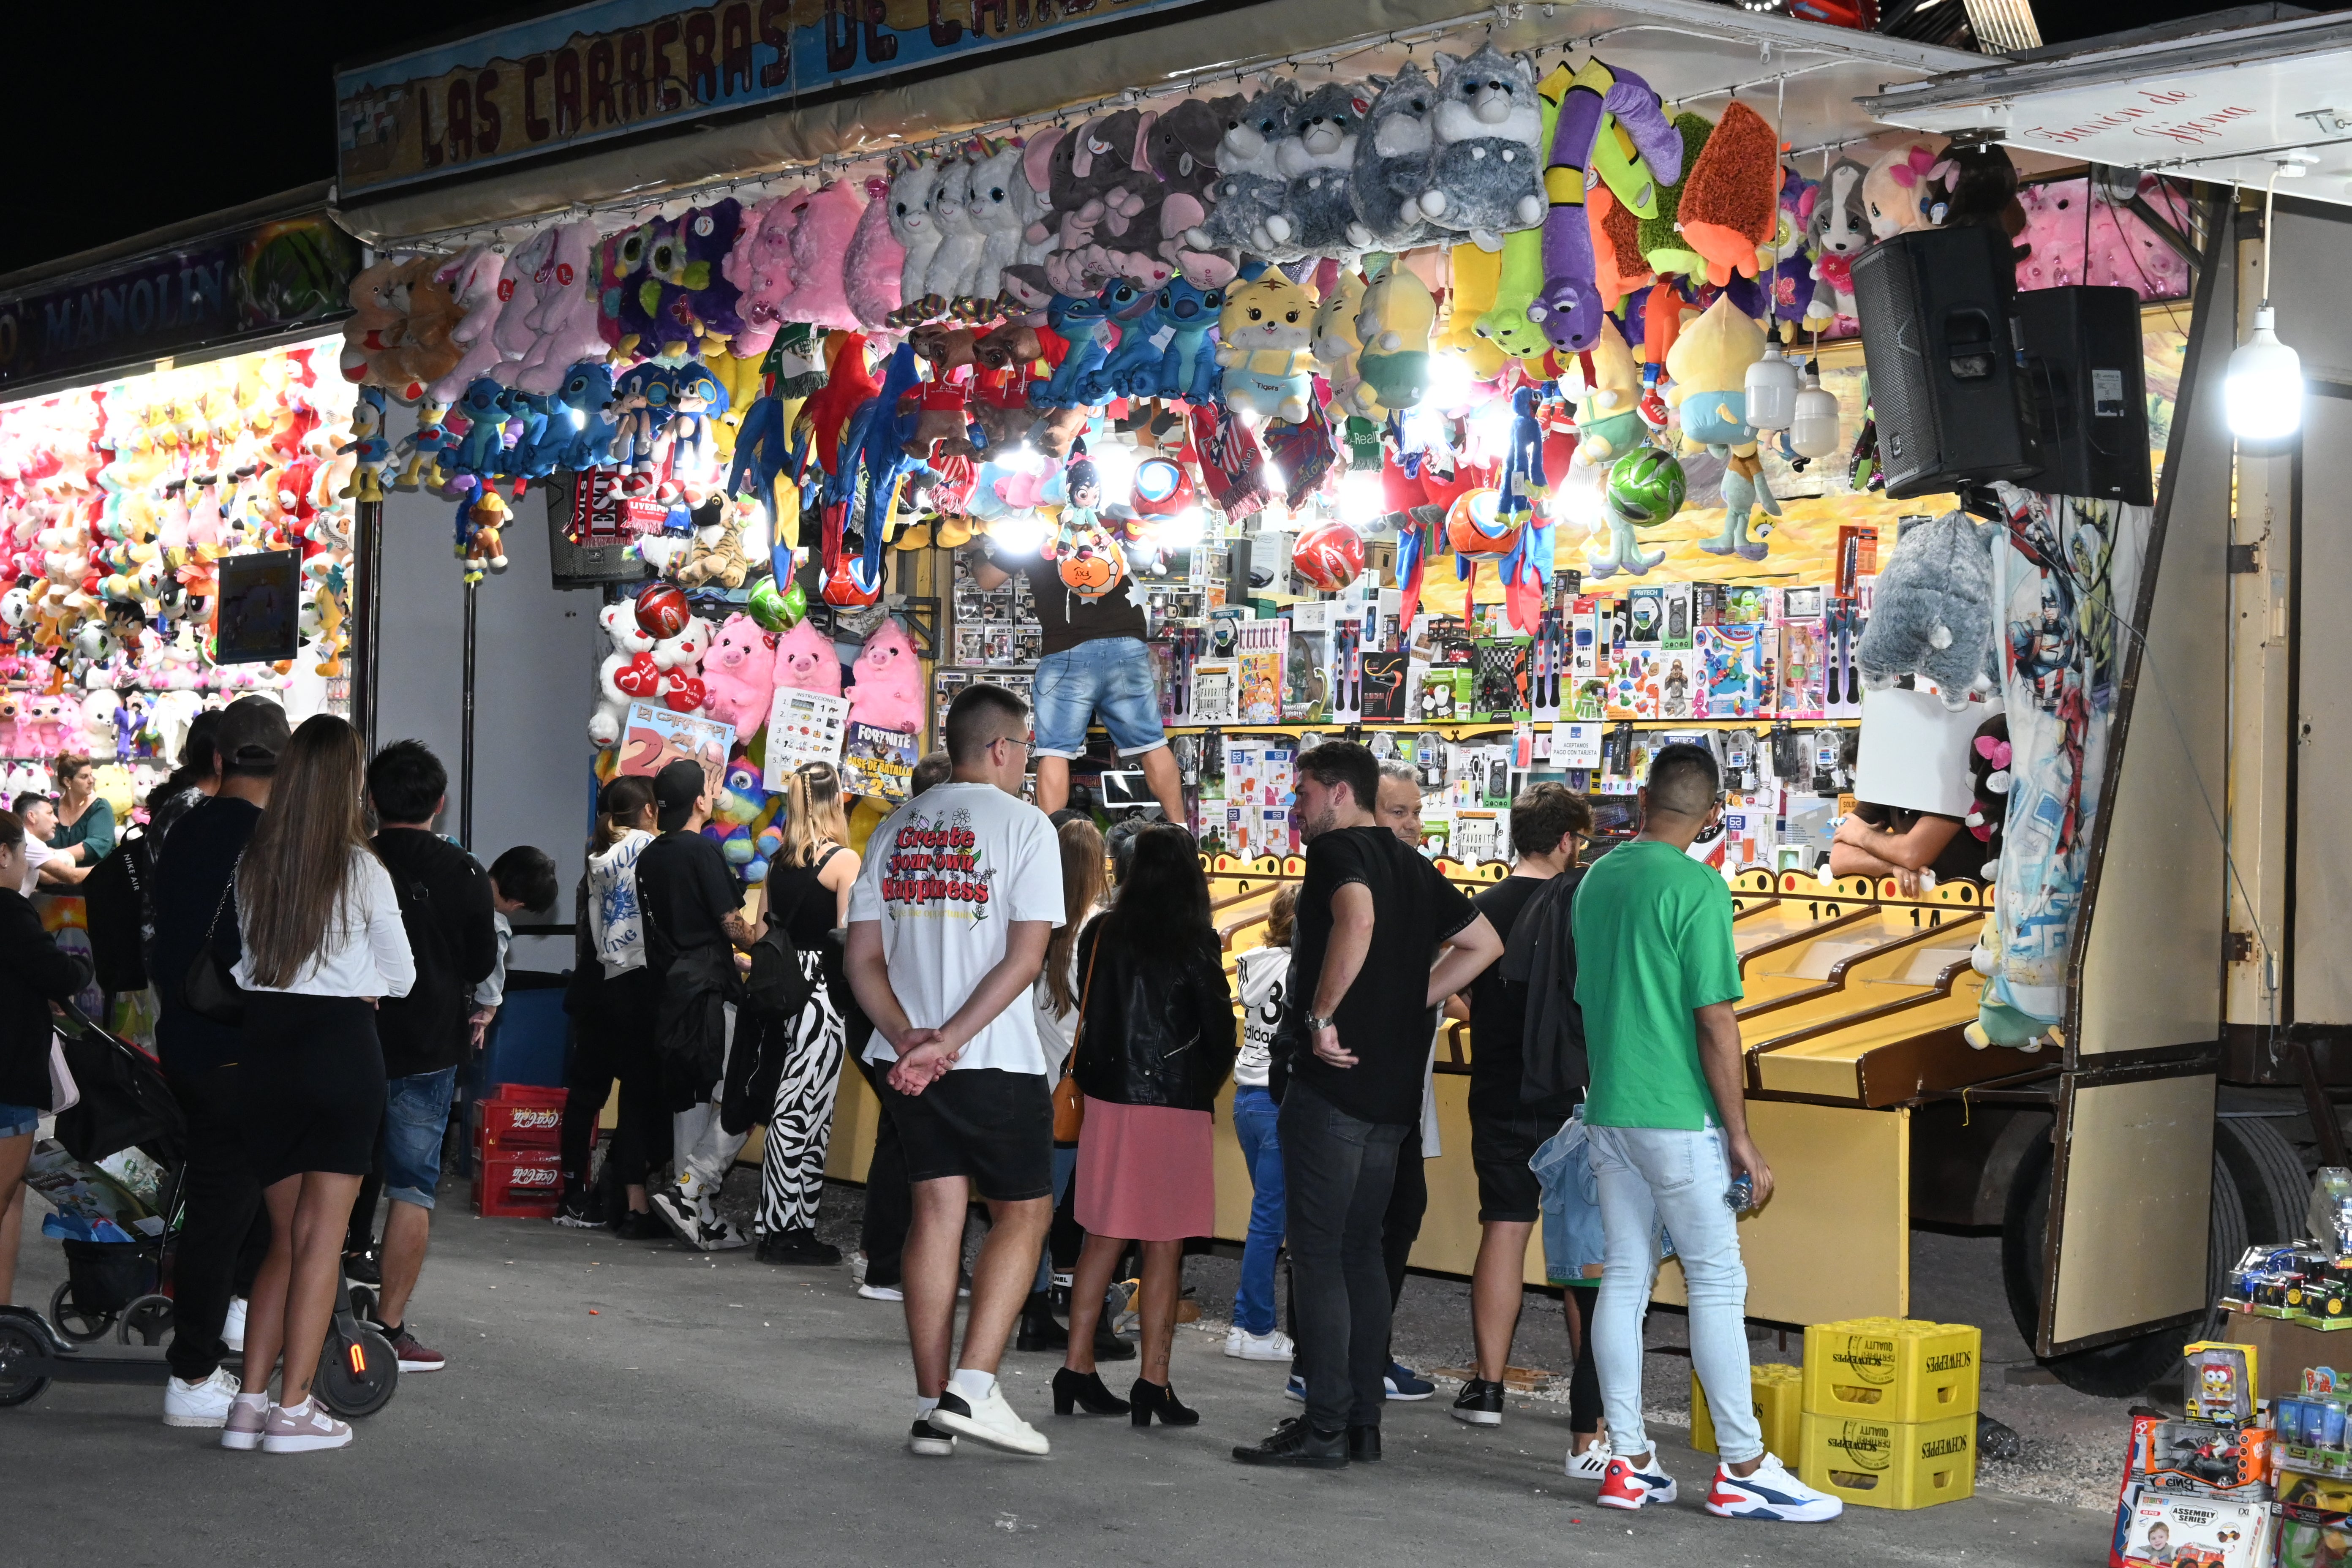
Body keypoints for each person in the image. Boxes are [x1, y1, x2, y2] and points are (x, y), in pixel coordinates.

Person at [1572, 743, 1842, 1521]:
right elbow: (1715, 1020)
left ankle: (1626, 1460)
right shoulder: (1695, 886)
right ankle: (1743, 1465)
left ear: (1642, 798)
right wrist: (1741, 1136)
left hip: (1610, 1107)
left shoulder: (1596, 877)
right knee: (1716, 1283)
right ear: (1714, 813)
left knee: (1624, 1276)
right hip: (1675, 1113)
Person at [1233, 741, 1500, 1470]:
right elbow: (1482, 942)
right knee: (1360, 1254)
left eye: (1303, 792)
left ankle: (1323, 1425)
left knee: (1318, 1256)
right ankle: (1360, 1422)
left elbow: (1355, 919)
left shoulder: (1337, 853)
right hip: (1390, 1095)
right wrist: (1404, 1000)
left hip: (1332, 1088)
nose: (1296, 806)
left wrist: (1321, 1014)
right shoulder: (1414, 865)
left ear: (1336, 791)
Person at [844, 682, 1065, 1458]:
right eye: (1025, 750)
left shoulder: (894, 827)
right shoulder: (1027, 827)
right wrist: (951, 1040)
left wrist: (910, 1038)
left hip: (905, 1061)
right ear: (1002, 748)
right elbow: (1026, 956)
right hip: (992, 1057)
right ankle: (972, 1387)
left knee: (935, 1213)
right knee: (1023, 1214)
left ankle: (930, 1408)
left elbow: (862, 957)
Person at [223, 714, 415, 1455]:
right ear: (348, 782)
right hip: (339, 1050)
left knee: (280, 1239)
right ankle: (293, 1408)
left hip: (265, 1049)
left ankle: (247, 1404)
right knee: (320, 1243)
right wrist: (356, 985)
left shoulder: (253, 863)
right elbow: (400, 977)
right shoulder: (362, 868)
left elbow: (243, 969)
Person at [1052, 823, 1236, 1426]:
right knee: (1164, 1249)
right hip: (1173, 1107)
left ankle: (1076, 1367)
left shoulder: (1102, 932)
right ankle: (1153, 1384)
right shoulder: (1194, 938)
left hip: (1108, 1104)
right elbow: (1219, 1031)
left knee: (1100, 1241)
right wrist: (1197, 1084)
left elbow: (1091, 1006)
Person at [150, 696, 287, 1428]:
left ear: (216, 759)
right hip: (246, 1043)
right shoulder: (274, 840)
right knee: (228, 1204)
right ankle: (194, 1369)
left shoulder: (183, 827)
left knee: (236, 1196)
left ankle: (233, 1317)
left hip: (187, 1036)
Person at [1447, 784, 1595, 1446]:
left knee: (1504, 1228)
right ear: (1567, 840)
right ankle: (1594, 1392)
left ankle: (1488, 1382)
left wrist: (1483, 1013)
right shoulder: (1584, 906)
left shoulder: (1482, 908)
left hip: (1499, 1089)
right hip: (1572, 1096)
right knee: (1581, 1247)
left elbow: (1443, 986)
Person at [365, 739, 500, 1374]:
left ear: (371, 799)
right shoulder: (466, 873)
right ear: (440, 804)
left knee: (332, 1177)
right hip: (429, 1045)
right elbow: (480, 962)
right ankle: (387, 1328)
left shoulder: (353, 861)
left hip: (352, 1041)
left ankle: (307, 1311)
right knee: (412, 1189)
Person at [965, 498, 1186, 823]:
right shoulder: (1112, 517)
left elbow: (987, 579)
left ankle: (1053, 846)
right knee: (1151, 743)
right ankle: (1180, 830)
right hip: (1126, 643)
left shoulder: (1038, 527)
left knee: (1055, 752)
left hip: (1066, 651)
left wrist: (975, 550)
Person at [638, 759, 757, 1251]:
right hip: (711, 988)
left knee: (691, 1094)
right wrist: (763, 942)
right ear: (701, 802)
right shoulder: (701, 851)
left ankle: (697, 1212)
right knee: (744, 1092)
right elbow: (730, 921)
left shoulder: (651, 856)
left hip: (670, 988)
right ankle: (691, 1192)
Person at [851, 749, 953, 1301]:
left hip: (900, 1026)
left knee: (903, 1146)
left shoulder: (892, 844)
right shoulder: (910, 850)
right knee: (911, 1152)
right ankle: (888, 1265)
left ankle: (885, 1258)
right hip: (912, 1025)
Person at [752, 761, 860, 1265]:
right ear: (835, 800)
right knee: (806, 1112)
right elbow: (849, 940)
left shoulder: (776, 863)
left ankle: (789, 1223)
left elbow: (759, 936)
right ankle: (786, 1228)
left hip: (782, 990)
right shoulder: (843, 862)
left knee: (794, 1104)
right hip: (824, 995)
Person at [558, 776, 668, 1238]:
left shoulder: (595, 860)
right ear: (648, 810)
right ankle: (627, 1202)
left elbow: (587, 933)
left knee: (585, 1098)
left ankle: (571, 1196)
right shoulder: (654, 851)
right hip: (636, 991)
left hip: (592, 989)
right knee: (640, 1097)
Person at [1016, 816, 1110, 1354]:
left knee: (1036, 1210)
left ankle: (1032, 1309)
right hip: (1084, 1098)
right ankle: (1079, 1318)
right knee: (1083, 1212)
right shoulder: (1098, 929)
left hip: (1039, 1088)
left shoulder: (1039, 925)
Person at [0, 810, 96, 1310]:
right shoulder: (11, 911)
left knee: (10, 1196)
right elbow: (57, 972)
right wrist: (79, 970)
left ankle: (4, 1309)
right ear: (4, 854)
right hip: (9, 1076)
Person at [1225, 884, 1296, 1363]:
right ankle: (1252, 1325)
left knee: (1270, 1218)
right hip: (1279, 1103)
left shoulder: (1254, 960)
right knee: (1269, 1222)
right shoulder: (1304, 967)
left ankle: (1245, 1324)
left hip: (1245, 1099)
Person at [1827, 733, 1981, 893]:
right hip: (1924, 906)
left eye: (1869, 774)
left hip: (1979, 903)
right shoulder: (1880, 789)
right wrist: (1894, 867)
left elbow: (1912, 854)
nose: (1864, 784)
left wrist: (1862, 835)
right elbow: (1839, 859)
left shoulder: (1952, 784)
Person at [471, 845, 558, 1047]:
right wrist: (489, 1009)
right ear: (518, 904)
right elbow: (491, 970)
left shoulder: (458, 871)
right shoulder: (493, 924)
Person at [49, 754, 117, 866]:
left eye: (91, 775)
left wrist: (54, 855)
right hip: (52, 881)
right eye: (84, 777)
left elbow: (97, 844)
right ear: (68, 782)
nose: (91, 781)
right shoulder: (50, 808)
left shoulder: (100, 807)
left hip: (93, 880)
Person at [12, 794, 87, 892]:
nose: (56, 820)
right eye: (50, 813)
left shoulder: (21, 837)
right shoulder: (29, 841)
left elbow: (46, 877)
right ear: (32, 816)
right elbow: (73, 877)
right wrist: (104, 869)